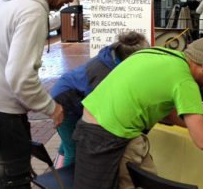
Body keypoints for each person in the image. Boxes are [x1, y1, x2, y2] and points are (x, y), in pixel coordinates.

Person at [73, 37, 203, 189]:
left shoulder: (156, 53)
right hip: (109, 134)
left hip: (89, 122)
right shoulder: (185, 81)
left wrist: (200, 124)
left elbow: (166, 110)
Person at [0, 0, 85, 188]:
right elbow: (20, 76)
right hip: (4, 117)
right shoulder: (33, 10)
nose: (71, 0)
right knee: (14, 183)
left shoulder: (6, 1)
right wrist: (52, 108)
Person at [51, 31, 150, 167]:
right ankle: (66, 182)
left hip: (68, 94)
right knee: (73, 151)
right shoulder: (104, 73)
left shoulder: (113, 57)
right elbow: (98, 109)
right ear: (132, 58)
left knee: (67, 142)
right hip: (65, 102)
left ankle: (57, 172)